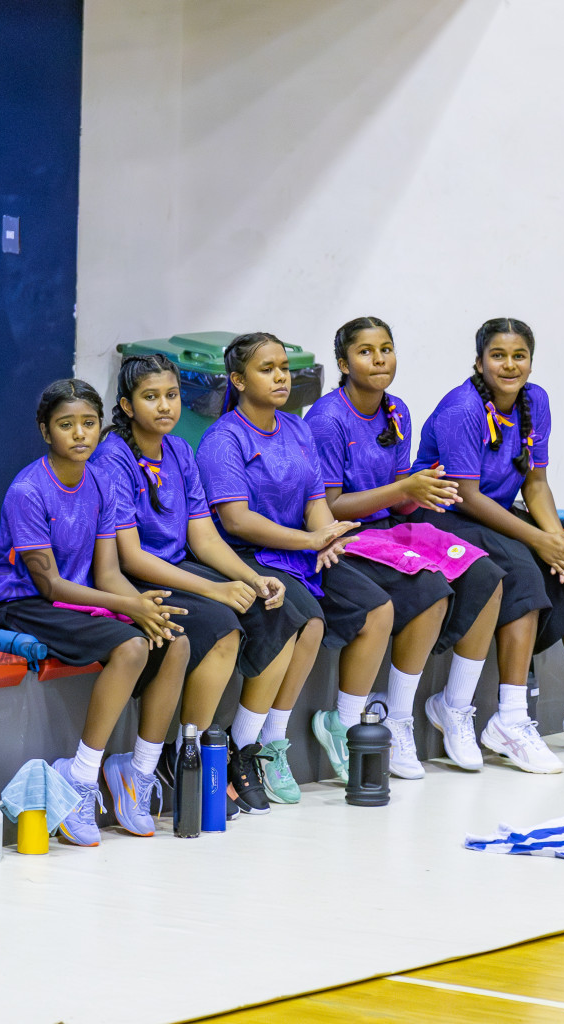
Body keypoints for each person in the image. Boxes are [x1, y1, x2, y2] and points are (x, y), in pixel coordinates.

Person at [411, 317, 564, 772]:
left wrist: (557, 539)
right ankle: (509, 718)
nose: (509, 365)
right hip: (443, 512)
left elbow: (535, 483)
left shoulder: (536, 401)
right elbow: (466, 495)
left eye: (519, 356)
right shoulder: (461, 410)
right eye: (498, 355)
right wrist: (537, 541)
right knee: (525, 571)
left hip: (491, 511)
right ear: (478, 361)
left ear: (530, 361)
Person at [94, 353, 311, 813]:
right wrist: (215, 590)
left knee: (282, 612)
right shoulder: (113, 458)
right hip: (135, 579)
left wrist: (253, 577)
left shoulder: (179, 450)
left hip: (181, 566)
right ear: (128, 406)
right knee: (223, 624)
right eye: (151, 397)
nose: (166, 406)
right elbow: (130, 557)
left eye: (171, 395)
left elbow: (203, 534)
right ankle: (184, 754)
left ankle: (234, 751)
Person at [0, 379, 189, 844]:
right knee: (134, 646)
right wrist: (128, 607)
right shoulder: (28, 491)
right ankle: (78, 776)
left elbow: (109, 570)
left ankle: (137, 773)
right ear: (45, 431)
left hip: (79, 598)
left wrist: (141, 605)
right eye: (66, 425)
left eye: (89, 423)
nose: (80, 434)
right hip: (25, 604)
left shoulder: (101, 481)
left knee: (174, 639)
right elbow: (51, 584)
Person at [195, 333, 394, 801]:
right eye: (267, 369)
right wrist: (309, 539)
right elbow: (236, 520)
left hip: (303, 550)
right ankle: (259, 744)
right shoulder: (222, 440)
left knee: (377, 608)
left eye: (284, 367)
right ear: (239, 380)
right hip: (249, 556)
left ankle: (334, 730)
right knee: (306, 620)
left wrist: (326, 536)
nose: (282, 376)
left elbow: (313, 499)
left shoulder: (297, 428)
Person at [305, 318, 505, 779]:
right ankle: (395, 719)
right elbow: (331, 506)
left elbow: (399, 489)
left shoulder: (397, 410)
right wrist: (405, 490)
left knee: (485, 574)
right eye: (365, 351)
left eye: (386, 349)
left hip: (390, 523)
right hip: (345, 533)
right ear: (343, 363)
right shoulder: (327, 418)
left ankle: (454, 707)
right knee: (430, 588)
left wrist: (425, 491)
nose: (378, 359)